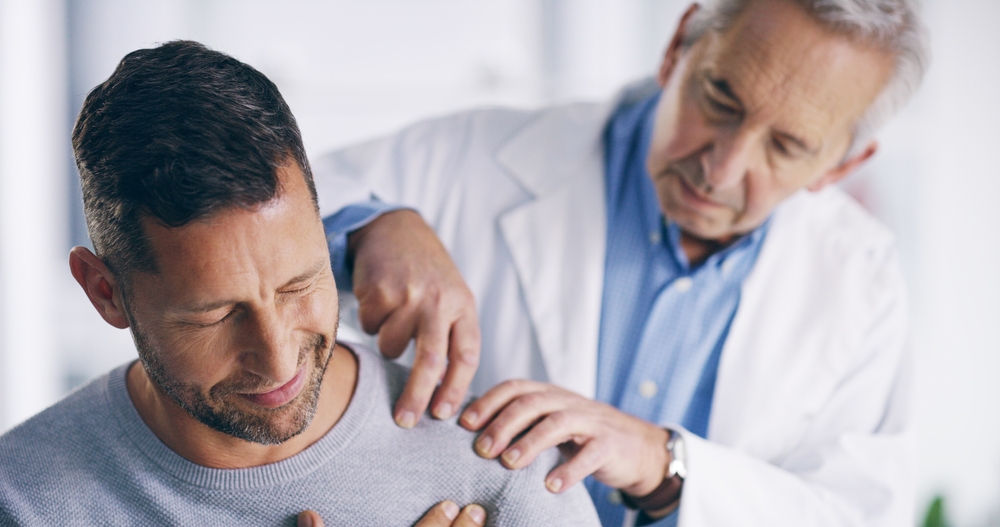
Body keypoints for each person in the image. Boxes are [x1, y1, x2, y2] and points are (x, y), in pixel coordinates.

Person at [315, 0, 929, 525]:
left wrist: (667, 465)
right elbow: (263, 205)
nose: (722, 169)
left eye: (787, 146)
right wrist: (370, 223)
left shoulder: (863, 283)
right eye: (719, 98)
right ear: (676, 48)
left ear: (841, 166)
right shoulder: (474, 156)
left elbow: (859, 512)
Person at [0, 41, 601, 527]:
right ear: (105, 291)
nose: (278, 356)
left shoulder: (506, 479)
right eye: (214, 315)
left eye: (299, 284)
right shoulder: (21, 498)